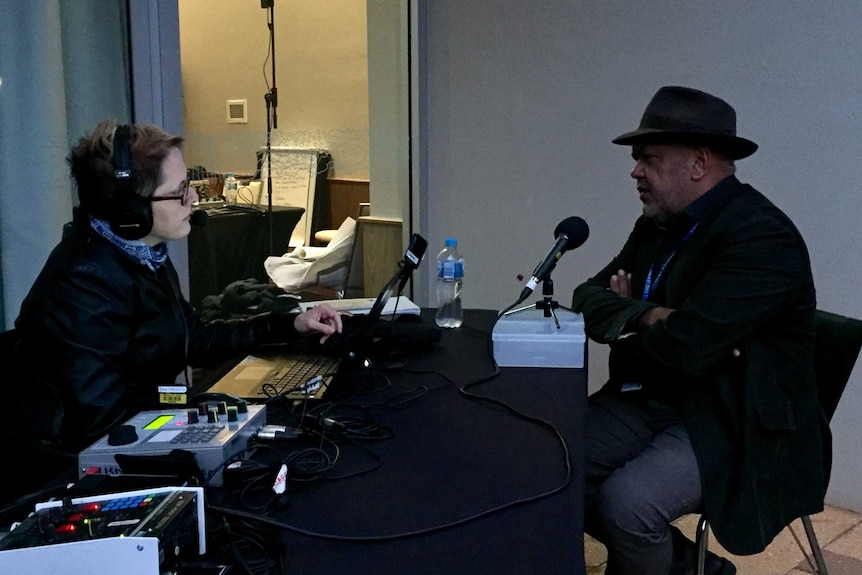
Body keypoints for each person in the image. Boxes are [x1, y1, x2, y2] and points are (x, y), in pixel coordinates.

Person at [2, 118, 343, 504]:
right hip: (62, 482)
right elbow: (103, 426)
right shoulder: (83, 282)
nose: (194, 200)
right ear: (131, 209)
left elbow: (194, 336)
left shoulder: (141, 254)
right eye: (180, 191)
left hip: (128, 444)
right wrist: (198, 407)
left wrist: (290, 323)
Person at [571, 86, 827, 575]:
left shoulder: (761, 235)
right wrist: (649, 315)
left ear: (698, 162)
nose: (635, 171)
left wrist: (633, 317)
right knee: (549, 468)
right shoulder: (658, 224)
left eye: (648, 158)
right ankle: (694, 570)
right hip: (652, 397)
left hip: (730, 415)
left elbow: (688, 348)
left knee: (627, 506)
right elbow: (587, 297)